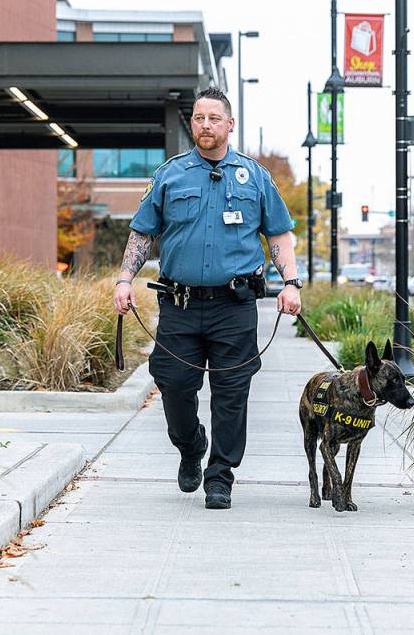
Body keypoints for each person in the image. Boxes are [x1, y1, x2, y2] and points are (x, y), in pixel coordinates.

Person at [113, 86, 302, 510]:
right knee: (173, 384)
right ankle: (190, 445)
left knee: (231, 392)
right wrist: (125, 278)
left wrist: (291, 282)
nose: (205, 125)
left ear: (229, 124)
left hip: (234, 307)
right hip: (178, 306)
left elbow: (278, 235)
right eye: (199, 118)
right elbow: (143, 233)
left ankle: (221, 476)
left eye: (214, 118)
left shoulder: (254, 177)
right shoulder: (170, 175)